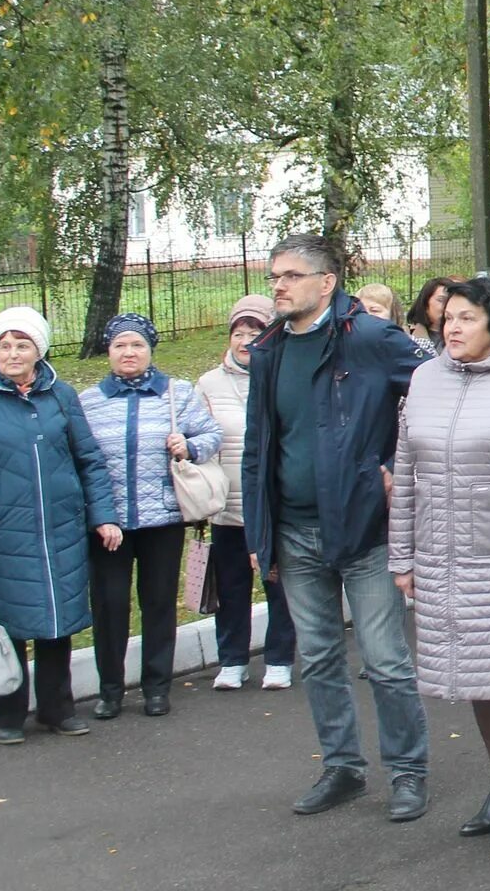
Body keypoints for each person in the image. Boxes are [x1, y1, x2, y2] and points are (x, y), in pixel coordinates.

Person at [243, 232, 432, 821]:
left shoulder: (370, 338)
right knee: (320, 658)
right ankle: (343, 768)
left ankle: (407, 772)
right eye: (274, 275)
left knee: (385, 660)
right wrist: (259, 533)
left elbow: (439, 391)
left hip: (365, 530)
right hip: (294, 531)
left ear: (326, 283)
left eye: (291, 275)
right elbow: (258, 447)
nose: (278, 285)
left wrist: (400, 466)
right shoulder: (271, 347)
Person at [389, 276, 490, 849]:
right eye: (448, 317)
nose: (452, 327)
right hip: (443, 559)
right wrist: (403, 555)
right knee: (476, 680)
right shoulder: (424, 378)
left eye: (466, 318)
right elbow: (406, 475)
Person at [79, 313, 224, 720]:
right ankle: (110, 690)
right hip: (109, 526)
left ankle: (156, 687)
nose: (129, 353)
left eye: (137, 345)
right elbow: (79, 458)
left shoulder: (176, 394)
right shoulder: (89, 401)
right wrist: (97, 515)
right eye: (120, 346)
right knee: (109, 607)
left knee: (158, 603)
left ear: (150, 350)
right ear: (108, 351)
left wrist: (188, 447)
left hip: (162, 519)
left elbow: (212, 435)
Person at [0, 307, 120, 745]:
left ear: (38, 351)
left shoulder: (60, 396)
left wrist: (102, 515)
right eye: (4, 345)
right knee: (9, 623)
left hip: (60, 526)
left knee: (57, 618)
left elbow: (88, 459)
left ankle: (57, 709)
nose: (12, 353)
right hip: (5, 529)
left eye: (21, 345)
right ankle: (6, 714)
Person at [196, 295, 297, 693]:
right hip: (228, 507)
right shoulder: (207, 384)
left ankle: (278, 659)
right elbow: (201, 441)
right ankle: (233, 660)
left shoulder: (284, 376)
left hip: (275, 507)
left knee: (280, 588)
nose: (246, 341)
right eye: (239, 333)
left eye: (255, 333)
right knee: (232, 588)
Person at [405, 277, 458, 350]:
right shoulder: (406, 335)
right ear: (425, 303)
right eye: (441, 300)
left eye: (450, 300)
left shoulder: (460, 335)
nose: (447, 305)